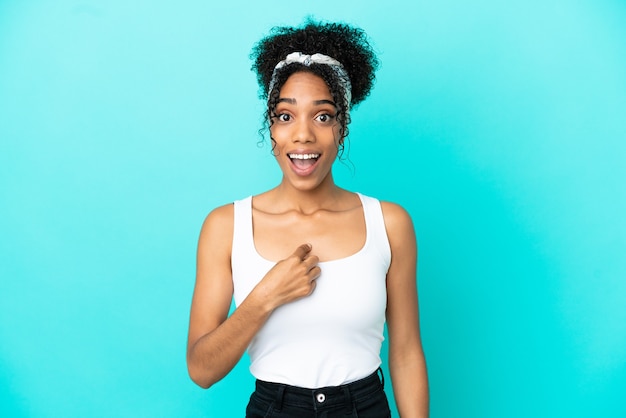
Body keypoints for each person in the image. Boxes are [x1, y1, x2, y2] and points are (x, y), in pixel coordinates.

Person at [186, 19, 429, 417]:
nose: (302, 136)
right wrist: (265, 297)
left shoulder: (389, 223)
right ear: (272, 127)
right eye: (285, 116)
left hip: (364, 406)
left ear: (342, 127)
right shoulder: (226, 226)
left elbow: (405, 353)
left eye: (322, 116)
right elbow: (201, 369)